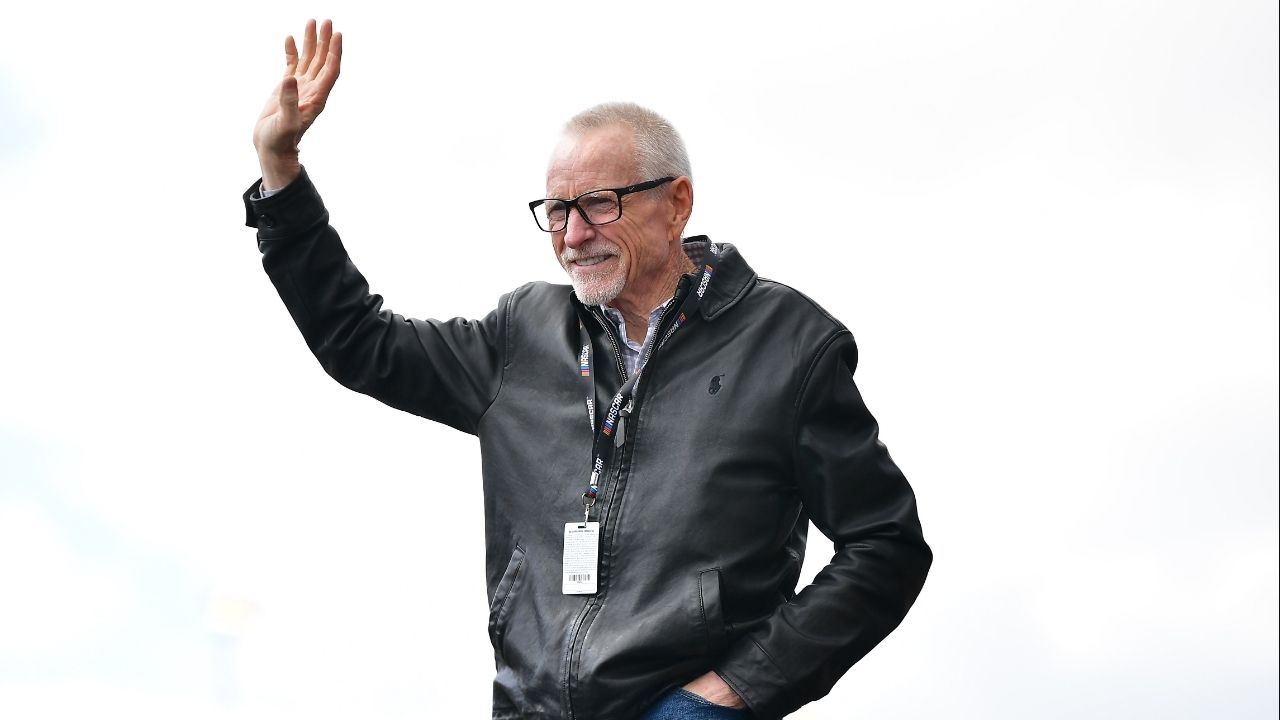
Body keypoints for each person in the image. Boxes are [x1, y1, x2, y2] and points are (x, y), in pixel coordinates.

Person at [244, 19, 931, 720]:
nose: (573, 236)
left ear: (677, 204)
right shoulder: (522, 336)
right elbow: (359, 341)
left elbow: (887, 547)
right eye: (557, 210)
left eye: (599, 205)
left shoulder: (789, 346)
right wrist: (281, 171)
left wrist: (730, 696)